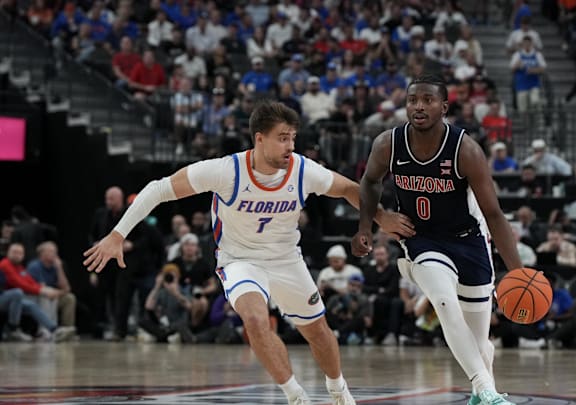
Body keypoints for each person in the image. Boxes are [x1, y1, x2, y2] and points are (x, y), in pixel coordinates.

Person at [84, 101, 414, 405]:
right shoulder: (226, 171)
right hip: (240, 260)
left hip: (286, 259)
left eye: (293, 138)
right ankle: (296, 397)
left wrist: (381, 217)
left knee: (319, 333)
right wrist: (117, 234)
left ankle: (338, 388)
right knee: (255, 321)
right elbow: (159, 189)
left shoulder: (302, 169)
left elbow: (347, 188)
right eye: (282, 138)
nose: (291, 146)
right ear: (259, 139)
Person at [351, 75, 522, 405]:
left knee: (479, 341)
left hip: (468, 240)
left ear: (443, 107)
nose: (418, 106)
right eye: (413, 99)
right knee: (443, 302)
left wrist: (516, 271)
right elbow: (370, 182)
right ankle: (487, 390)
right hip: (421, 239)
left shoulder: (466, 149)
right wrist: (367, 225)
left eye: (427, 100)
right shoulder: (389, 143)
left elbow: (494, 214)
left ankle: (479, 394)